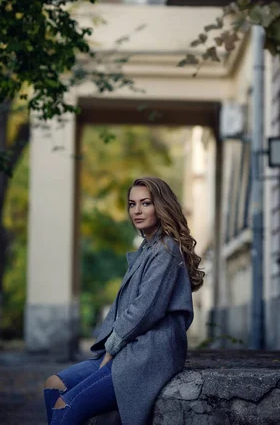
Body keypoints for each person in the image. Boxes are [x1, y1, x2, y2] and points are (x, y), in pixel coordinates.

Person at [43, 176, 205, 425]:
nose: (137, 211)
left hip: (148, 355)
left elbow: (146, 308)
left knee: (67, 405)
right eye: (132, 204)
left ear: (161, 206)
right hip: (130, 350)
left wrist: (112, 347)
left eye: (145, 203)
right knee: (53, 386)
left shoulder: (166, 249)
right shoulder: (148, 248)